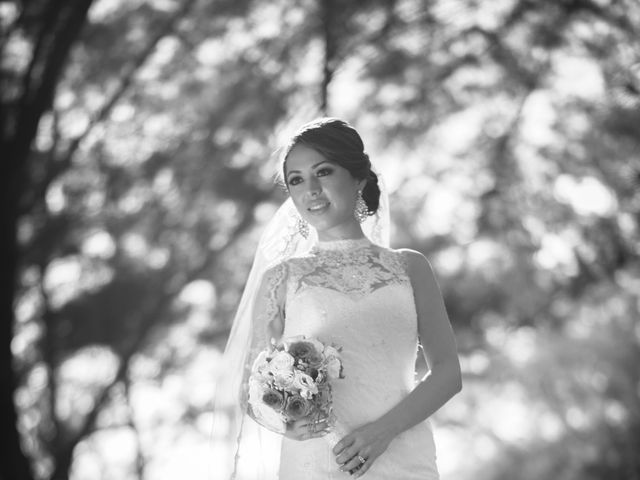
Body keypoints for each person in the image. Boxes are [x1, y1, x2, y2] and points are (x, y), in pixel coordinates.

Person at [214, 117, 461, 480]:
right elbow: (251, 386)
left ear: (358, 177)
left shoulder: (410, 267)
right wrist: (285, 425)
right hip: (320, 461)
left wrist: (383, 432)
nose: (310, 189)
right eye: (296, 180)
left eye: (323, 172)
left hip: (404, 455)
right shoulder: (283, 278)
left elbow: (448, 373)